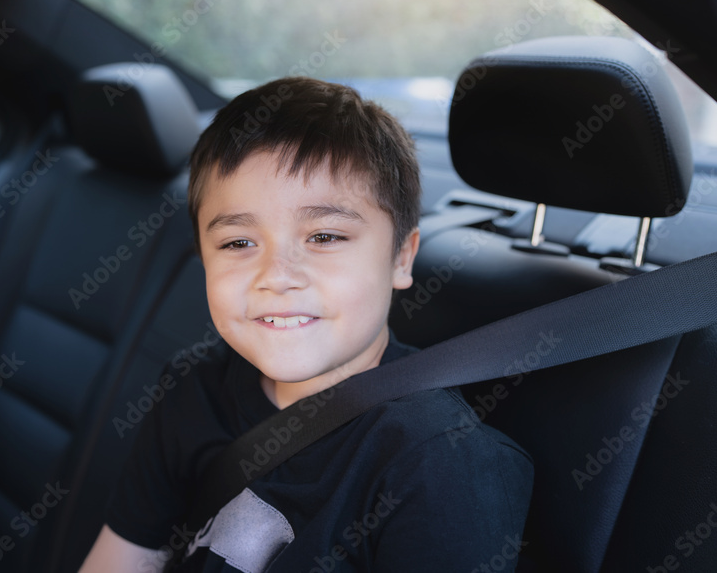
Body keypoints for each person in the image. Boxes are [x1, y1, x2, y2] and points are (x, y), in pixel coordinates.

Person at [79, 77, 533, 572]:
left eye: (324, 236)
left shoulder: (441, 464)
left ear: (402, 258)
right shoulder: (193, 389)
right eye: (238, 243)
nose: (277, 276)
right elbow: (121, 558)